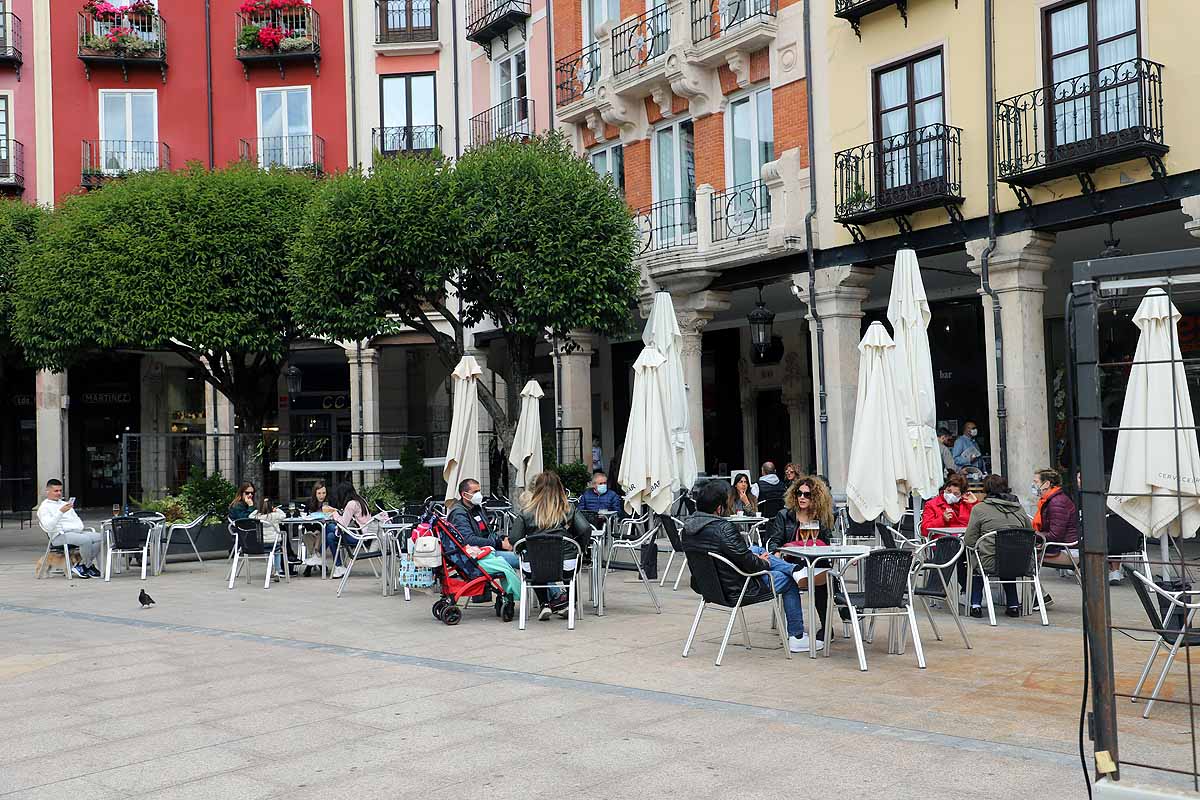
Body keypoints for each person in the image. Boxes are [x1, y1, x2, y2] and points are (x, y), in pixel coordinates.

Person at [681, 480, 818, 653]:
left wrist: (757, 557)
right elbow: (750, 565)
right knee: (788, 580)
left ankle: (795, 570)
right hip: (739, 588)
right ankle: (797, 636)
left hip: (710, 588)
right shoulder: (723, 528)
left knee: (754, 549)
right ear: (718, 508)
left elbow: (739, 556)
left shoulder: (687, 529)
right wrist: (765, 562)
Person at [509, 471, 593, 620]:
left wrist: (524, 550)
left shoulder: (526, 512)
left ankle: (544, 604)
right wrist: (579, 547)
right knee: (570, 572)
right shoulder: (568, 508)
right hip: (566, 563)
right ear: (559, 487)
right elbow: (586, 529)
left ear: (537, 488)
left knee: (535, 563)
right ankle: (570, 604)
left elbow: (514, 538)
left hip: (534, 565)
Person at [761, 476, 836, 639]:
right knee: (810, 577)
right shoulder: (785, 515)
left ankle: (826, 626)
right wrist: (775, 552)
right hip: (791, 560)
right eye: (799, 493)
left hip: (815, 561)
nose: (802, 497)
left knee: (823, 580)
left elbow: (827, 543)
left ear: (815, 497)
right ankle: (844, 610)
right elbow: (775, 539)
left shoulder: (821, 517)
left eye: (807, 495)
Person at [963, 474, 1031, 618]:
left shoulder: (979, 509)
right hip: (1021, 563)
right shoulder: (1019, 509)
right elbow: (1030, 533)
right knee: (1008, 556)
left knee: (977, 559)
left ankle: (975, 604)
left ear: (986, 490)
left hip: (990, 562)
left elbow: (969, 541)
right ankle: (1013, 604)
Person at [447, 478, 519, 570]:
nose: (479, 495)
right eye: (475, 492)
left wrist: (502, 538)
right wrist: (499, 544)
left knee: (524, 554)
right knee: (521, 560)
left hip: (487, 550)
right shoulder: (458, 513)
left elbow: (488, 532)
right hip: (476, 556)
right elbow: (468, 540)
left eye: (479, 491)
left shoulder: (477, 508)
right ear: (464, 495)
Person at [37, 479, 103, 579]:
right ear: (48, 491)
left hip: (76, 532)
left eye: (60, 490)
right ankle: (87, 566)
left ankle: (83, 566)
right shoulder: (44, 508)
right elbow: (48, 526)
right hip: (59, 536)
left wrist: (76, 527)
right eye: (56, 491)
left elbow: (78, 521)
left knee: (102, 537)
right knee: (86, 540)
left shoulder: (65, 504)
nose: (59, 493)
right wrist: (60, 512)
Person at [1032, 468, 1078, 607]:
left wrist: (1033, 535)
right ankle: (1039, 597)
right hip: (1061, 546)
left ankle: (1039, 598)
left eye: (1035, 482)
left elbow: (1055, 535)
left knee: (1025, 560)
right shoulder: (1051, 500)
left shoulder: (1056, 502)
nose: (1033, 485)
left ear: (1046, 484)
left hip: (1068, 550)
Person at [324, 482, 374, 579]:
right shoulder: (360, 500)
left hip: (358, 537)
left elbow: (343, 524)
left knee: (329, 529)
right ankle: (338, 566)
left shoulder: (351, 504)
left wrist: (334, 513)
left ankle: (323, 557)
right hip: (365, 534)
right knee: (330, 535)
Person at [301, 481, 333, 575]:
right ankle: (317, 557)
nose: (321, 496)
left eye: (323, 493)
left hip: (325, 530)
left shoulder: (330, 502)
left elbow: (333, 518)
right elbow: (305, 520)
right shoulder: (309, 502)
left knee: (319, 534)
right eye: (319, 493)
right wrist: (312, 530)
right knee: (309, 535)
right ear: (315, 493)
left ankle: (309, 566)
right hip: (312, 530)